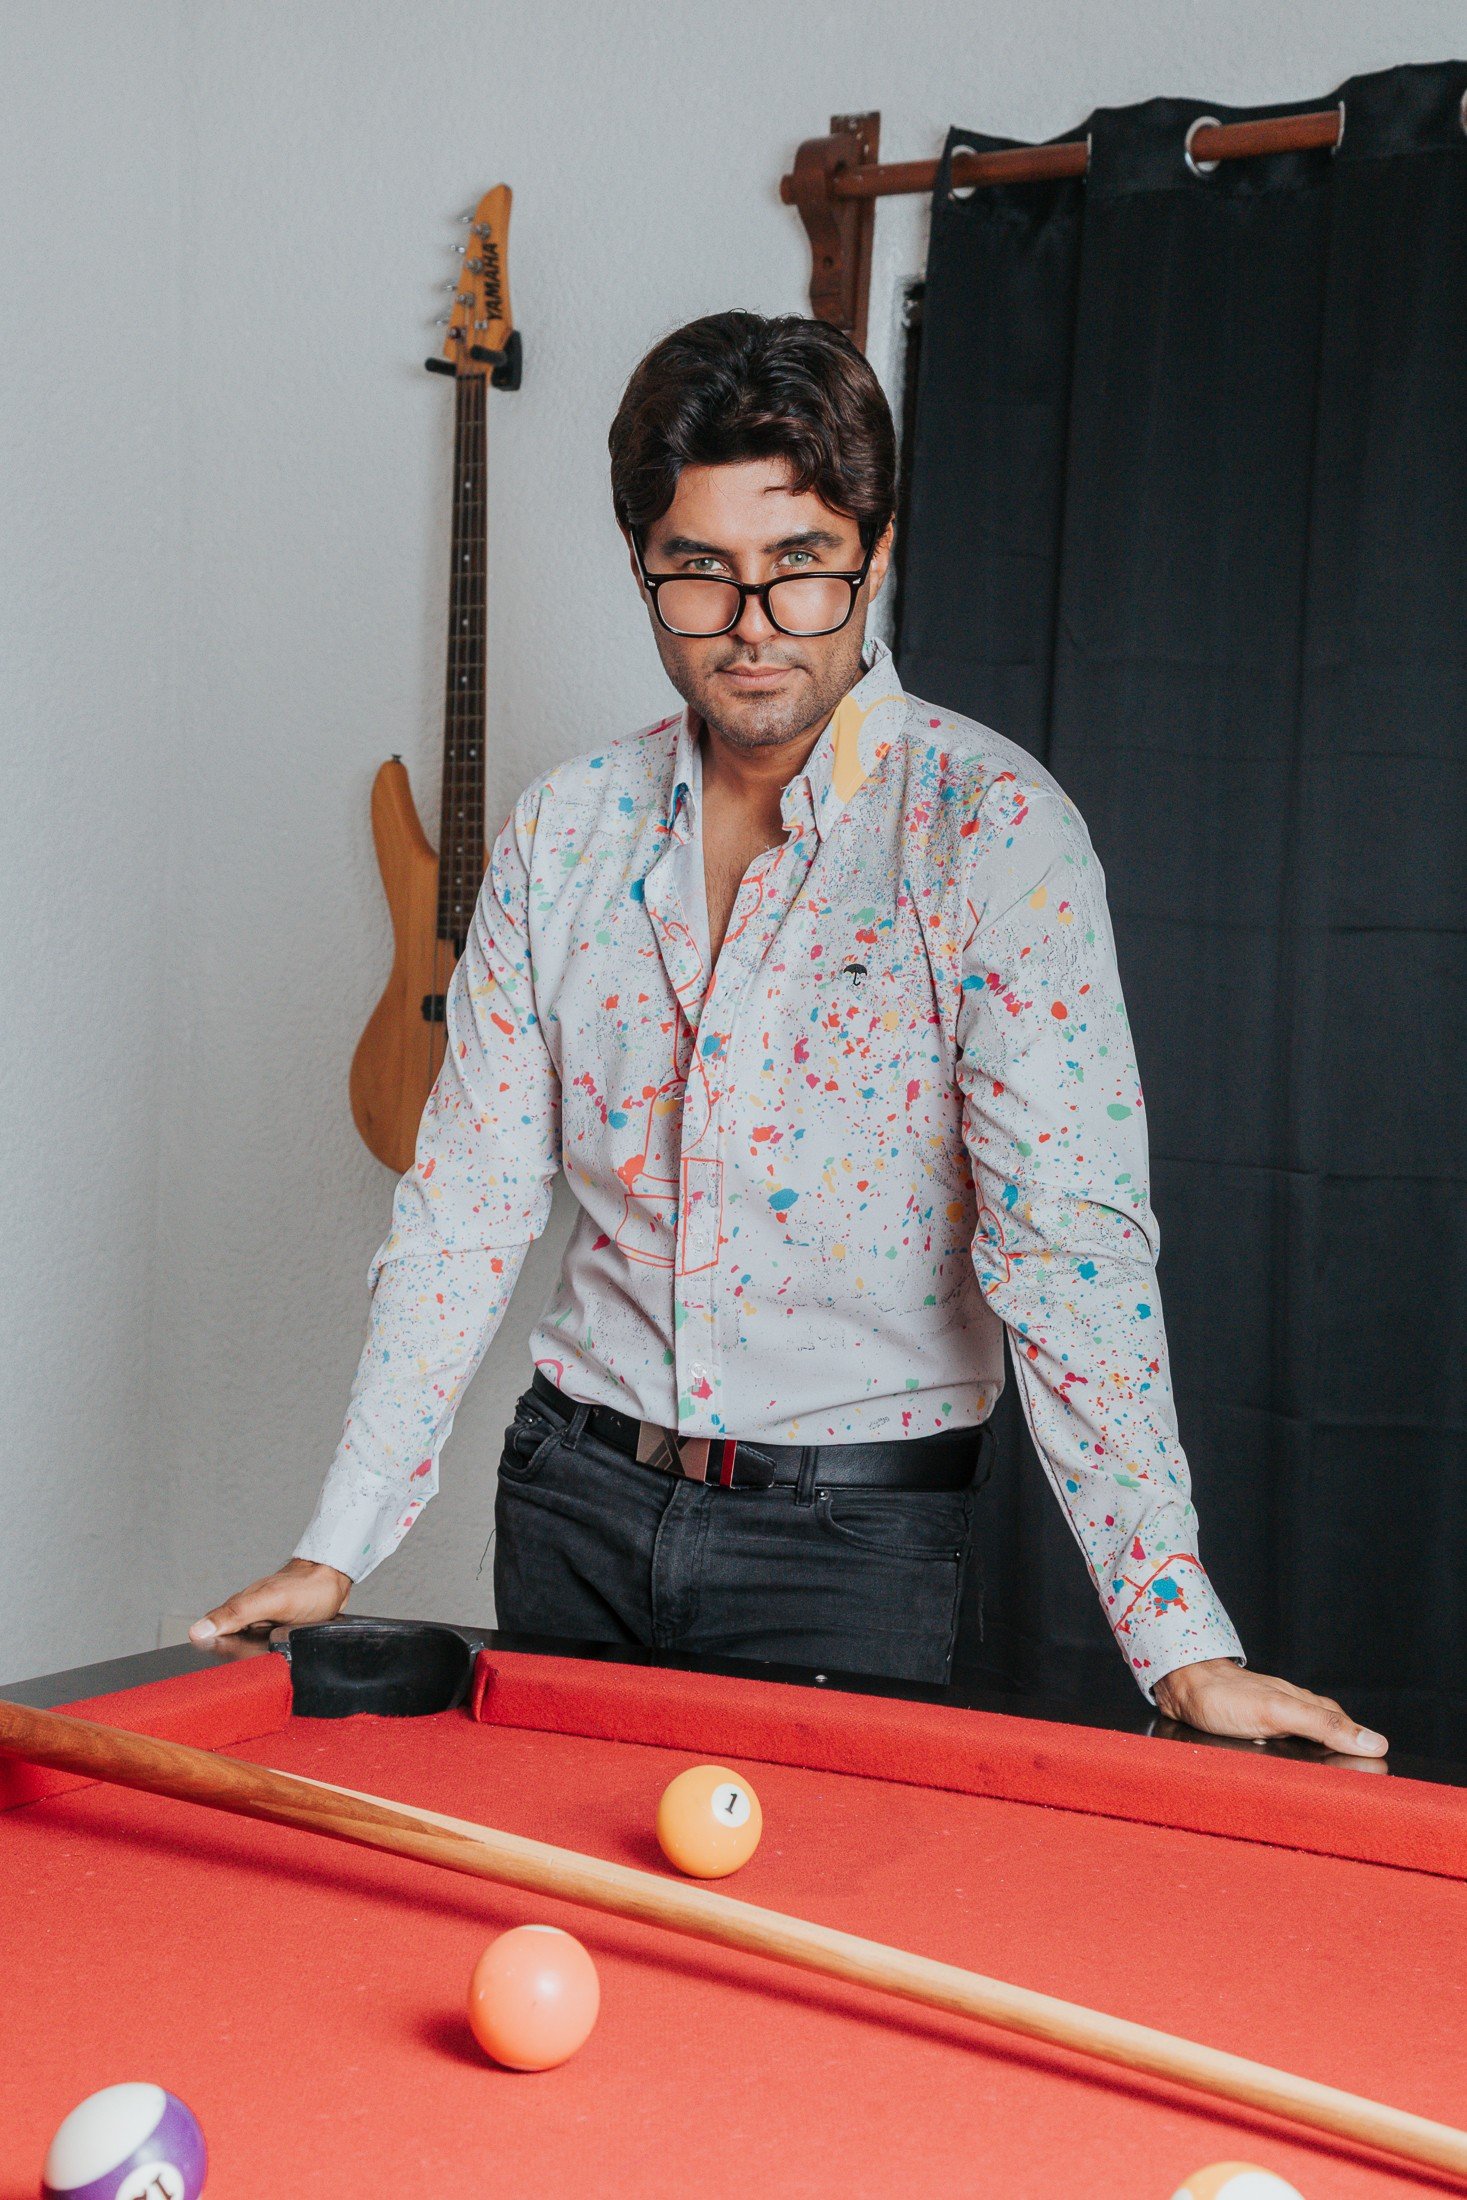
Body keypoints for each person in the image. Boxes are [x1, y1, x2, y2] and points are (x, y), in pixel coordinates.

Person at [193, 311, 1385, 1755]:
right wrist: (339, 1545)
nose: (753, 625)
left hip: (848, 1548)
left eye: (801, 565)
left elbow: (1068, 1252)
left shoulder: (994, 836)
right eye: (699, 570)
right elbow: (467, 1209)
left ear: (873, 553)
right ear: (643, 563)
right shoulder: (565, 833)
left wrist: (1179, 1640)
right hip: (572, 1498)